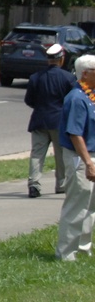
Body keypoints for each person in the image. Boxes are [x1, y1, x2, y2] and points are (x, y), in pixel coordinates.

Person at [55, 54, 95, 261]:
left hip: (91, 155)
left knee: (90, 207)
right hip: (82, 158)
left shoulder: (91, 96)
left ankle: (83, 247)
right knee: (77, 205)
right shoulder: (77, 98)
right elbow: (75, 133)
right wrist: (88, 163)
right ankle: (66, 252)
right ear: (86, 74)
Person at [25, 44, 75, 197]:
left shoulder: (35, 77)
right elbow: (71, 100)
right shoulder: (68, 78)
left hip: (39, 120)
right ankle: (61, 184)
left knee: (37, 154)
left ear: (48, 60)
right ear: (61, 59)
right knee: (60, 155)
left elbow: (29, 100)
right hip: (59, 122)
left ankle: (34, 184)